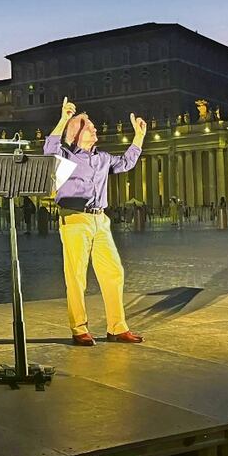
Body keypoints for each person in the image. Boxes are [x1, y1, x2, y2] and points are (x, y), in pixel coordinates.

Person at [45, 97, 146, 346]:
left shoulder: (103, 158)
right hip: (74, 217)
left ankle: (117, 328)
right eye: (89, 127)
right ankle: (79, 328)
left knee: (114, 272)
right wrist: (64, 119)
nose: (95, 128)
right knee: (76, 276)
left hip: (100, 219)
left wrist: (138, 137)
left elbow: (126, 163)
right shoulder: (65, 156)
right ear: (76, 134)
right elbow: (49, 149)